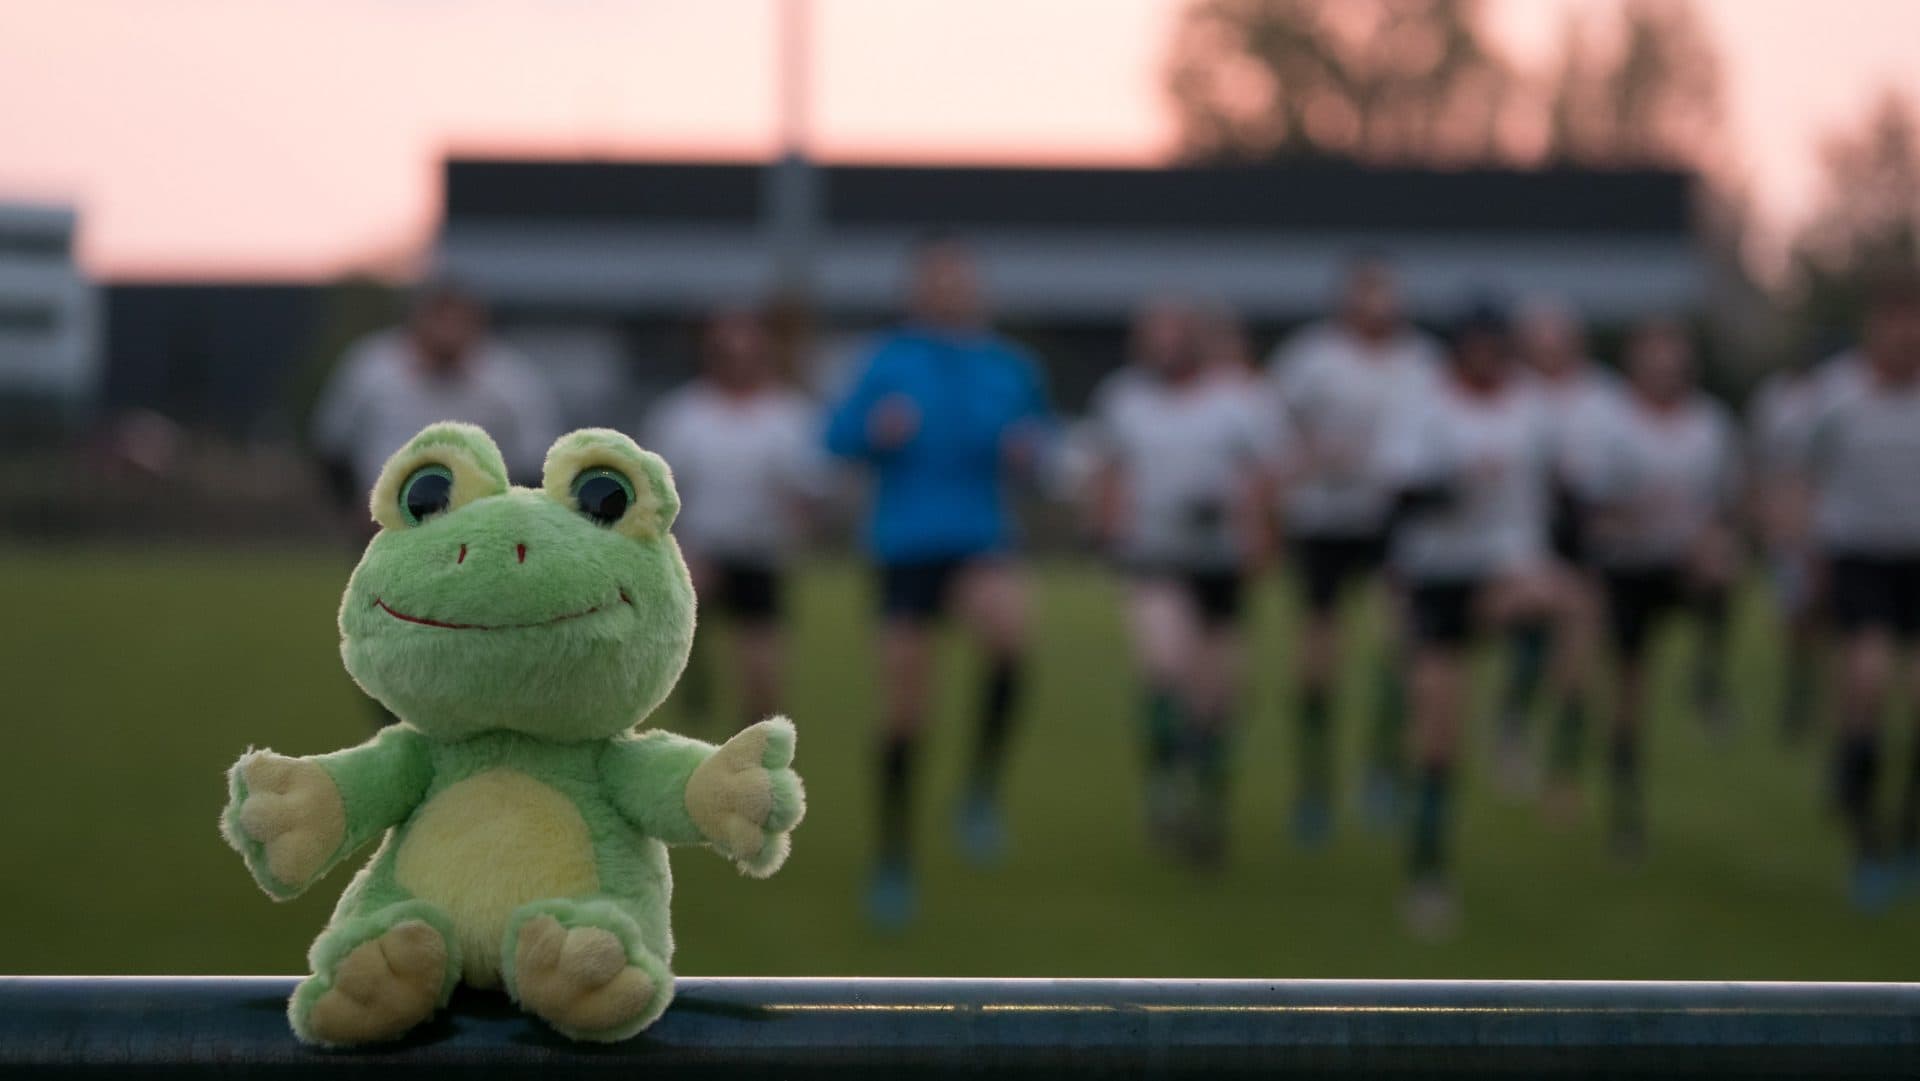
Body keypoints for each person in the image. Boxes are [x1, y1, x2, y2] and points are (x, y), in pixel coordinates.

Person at [823, 235, 1053, 929]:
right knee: (904, 709)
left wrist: (1028, 451)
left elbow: (1044, 450)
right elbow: (834, 439)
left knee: (1013, 634)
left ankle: (979, 791)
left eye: (962, 280)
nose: (952, 291)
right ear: (917, 291)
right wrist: (876, 429)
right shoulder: (888, 361)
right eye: (938, 281)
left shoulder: (1008, 367)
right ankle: (893, 860)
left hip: (982, 542)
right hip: (906, 547)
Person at [1377, 301, 1589, 937]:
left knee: (1572, 605)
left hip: (1508, 564)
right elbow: (1399, 497)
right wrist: (1456, 481)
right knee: (1437, 739)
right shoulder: (1426, 405)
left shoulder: (1533, 407)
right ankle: (1428, 871)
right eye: (1478, 344)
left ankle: (1520, 722)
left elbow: (1563, 493)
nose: (1488, 356)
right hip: (1439, 576)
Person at [1086, 299, 1288, 865]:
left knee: (1215, 696)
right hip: (1153, 556)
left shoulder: (1239, 402)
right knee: (1164, 662)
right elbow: (1108, 470)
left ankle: (1207, 804)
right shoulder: (1125, 399)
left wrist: (1255, 529)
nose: (1166, 344)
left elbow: (1269, 475)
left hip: (1219, 560)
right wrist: (1105, 528)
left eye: (1177, 333)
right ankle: (1163, 781)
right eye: (1156, 334)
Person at [1267, 256, 1442, 843]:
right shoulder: (1309, 360)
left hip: (1390, 521)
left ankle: (1382, 768)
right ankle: (1314, 785)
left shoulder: (1421, 362)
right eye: (1366, 294)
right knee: (1319, 654)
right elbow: (1272, 434)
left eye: (1386, 295)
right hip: (1322, 521)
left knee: (1401, 643)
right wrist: (1308, 460)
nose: (1377, 307)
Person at [1578, 321, 1742, 860]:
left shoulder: (1710, 424)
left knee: (1722, 567)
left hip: (1683, 561)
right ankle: (1626, 809)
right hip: (1629, 567)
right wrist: (1636, 515)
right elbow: (1589, 512)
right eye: (1654, 360)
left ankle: (1709, 678)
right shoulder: (1609, 424)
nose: (1665, 371)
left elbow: (1728, 507)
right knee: (1628, 692)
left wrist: (1709, 536)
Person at [1792, 276, 1920, 910]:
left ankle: (1909, 831)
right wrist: (1803, 563)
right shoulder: (1837, 398)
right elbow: (1801, 477)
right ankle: (1867, 844)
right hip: (1860, 557)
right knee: (1867, 680)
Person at [645, 306, 827, 732]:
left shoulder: (790, 416)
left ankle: (751, 750)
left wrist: (798, 514)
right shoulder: (683, 414)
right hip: (701, 548)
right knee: (682, 619)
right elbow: (658, 492)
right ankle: (693, 676)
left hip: (762, 553)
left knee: (763, 677)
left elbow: (813, 488)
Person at [1502, 298, 1615, 802]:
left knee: (1577, 654)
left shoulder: (1603, 399)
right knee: (1531, 639)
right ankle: (1515, 720)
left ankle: (1562, 767)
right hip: (1519, 535)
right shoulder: (1512, 396)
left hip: (1583, 537)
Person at [312, 279, 561, 505]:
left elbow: (536, 455)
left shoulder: (511, 378)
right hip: (386, 513)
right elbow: (333, 444)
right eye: (438, 319)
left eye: (457, 322)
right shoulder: (371, 367)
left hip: (483, 516)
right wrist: (350, 508)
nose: (446, 331)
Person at [1749, 351, 1830, 742]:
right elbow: (1764, 460)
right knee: (1794, 608)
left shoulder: (1833, 397)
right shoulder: (1775, 396)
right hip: (1787, 516)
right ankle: (1798, 690)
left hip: (1826, 518)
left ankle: (1813, 692)